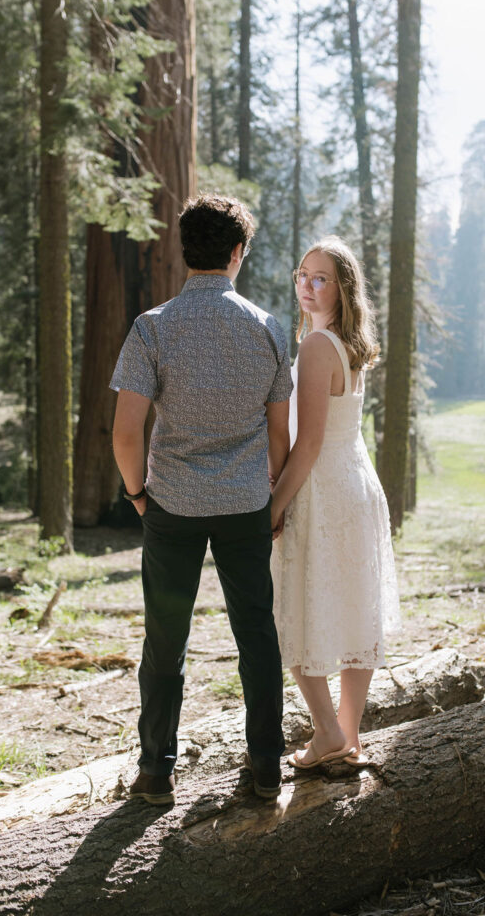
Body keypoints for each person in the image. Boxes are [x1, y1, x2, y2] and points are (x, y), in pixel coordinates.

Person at [110, 193, 292, 804]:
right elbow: (278, 434)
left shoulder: (152, 328)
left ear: (185, 252)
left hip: (172, 508)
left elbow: (126, 431)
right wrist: (272, 500)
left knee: (165, 636)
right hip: (245, 507)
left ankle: (156, 772)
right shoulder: (269, 328)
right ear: (238, 252)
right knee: (256, 633)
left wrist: (137, 494)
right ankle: (268, 765)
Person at [270, 235, 400, 769]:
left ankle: (328, 732)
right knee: (350, 608)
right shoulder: (350, 345)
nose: (307, 285)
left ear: (342, 288)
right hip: (358, 485)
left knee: (297, 607)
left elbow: (311, 441)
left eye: (319, 278)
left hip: (324, 487)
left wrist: (275, 504)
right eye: (302, 274)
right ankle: (348, 735)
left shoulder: (317, 346)